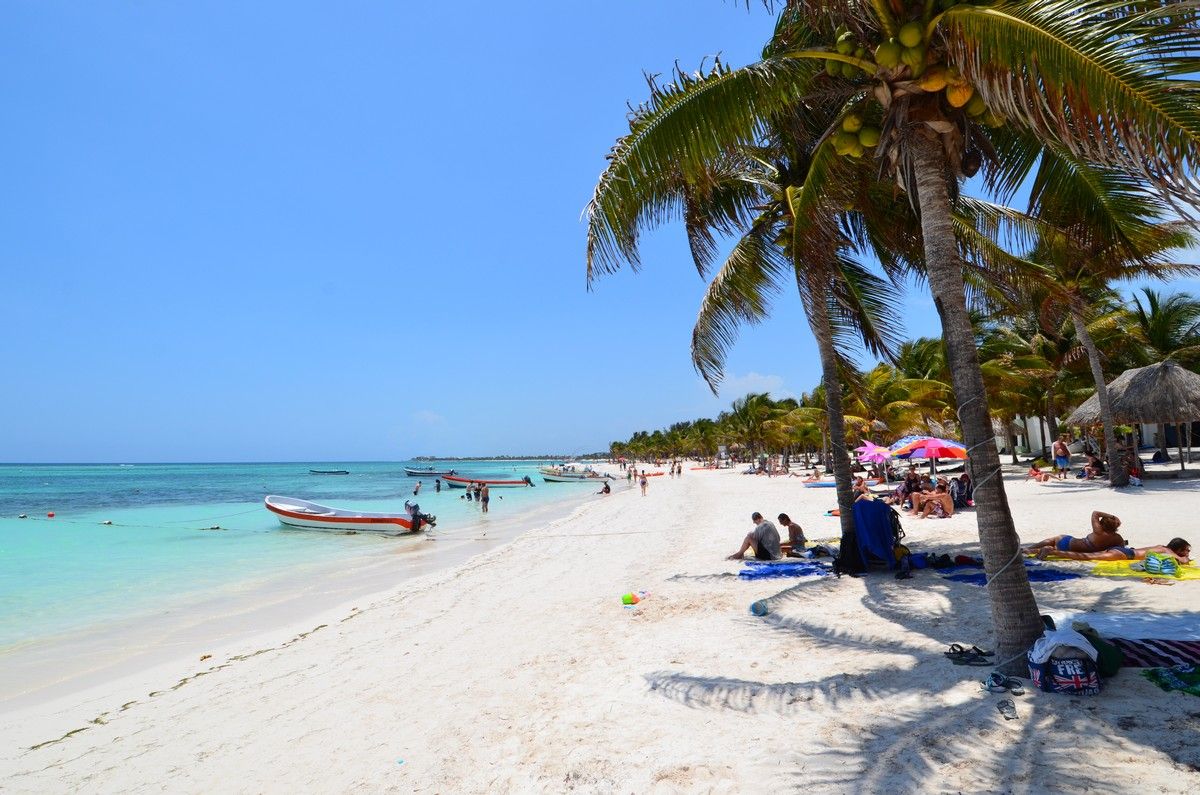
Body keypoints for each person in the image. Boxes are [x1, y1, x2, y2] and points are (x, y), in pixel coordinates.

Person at [1024, 511, 1127, 555]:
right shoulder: (1117, 538)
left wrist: (1112, 516)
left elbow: (1095, 513)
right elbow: (1121, 549)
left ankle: (1029, 548)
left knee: (1055, 539)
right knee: (1054, 547)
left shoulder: (1098, 531)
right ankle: (1035, 550)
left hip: (1068, 543)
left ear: (1102, 524)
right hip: (1076, 551)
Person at [1037, 537, 1191, 563]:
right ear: (1177, 549)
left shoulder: (1161, 547)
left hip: (1123, 550)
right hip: (1125, 554)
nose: (1188, 553)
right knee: (1087, 557)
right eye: (1186, 550)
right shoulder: (1168, 551)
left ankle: (1051, 550)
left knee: (1088, 556)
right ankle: (1052, 551)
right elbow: (1183, 560)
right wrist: (1186, 559)